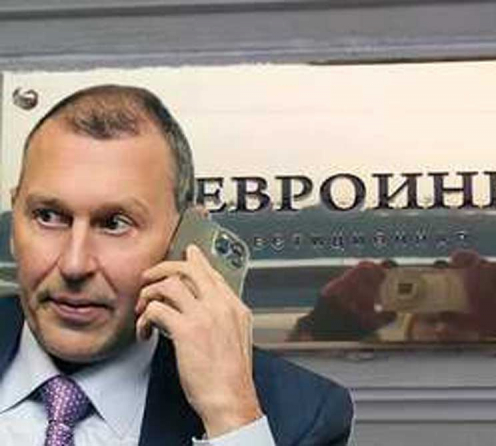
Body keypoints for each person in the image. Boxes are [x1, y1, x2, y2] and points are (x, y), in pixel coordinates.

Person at [0, 85, 353, 445]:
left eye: (115, 224)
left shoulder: (302, 417)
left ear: (185, 238)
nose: (74, 265)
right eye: (48, 216)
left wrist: (231, 418)